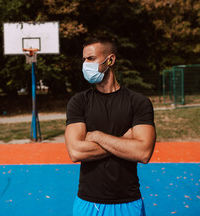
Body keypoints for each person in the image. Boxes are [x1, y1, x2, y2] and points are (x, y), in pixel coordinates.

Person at [65, 37, 156, 216]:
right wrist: (125, 141)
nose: (85, 64)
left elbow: (143, 153)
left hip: (128, 202)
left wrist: (98, 136)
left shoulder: (138, 102)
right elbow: (76, 152)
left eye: (90, 59)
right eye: (83, 59)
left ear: (110, 60)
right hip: (88, 202)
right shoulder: (79, 102)